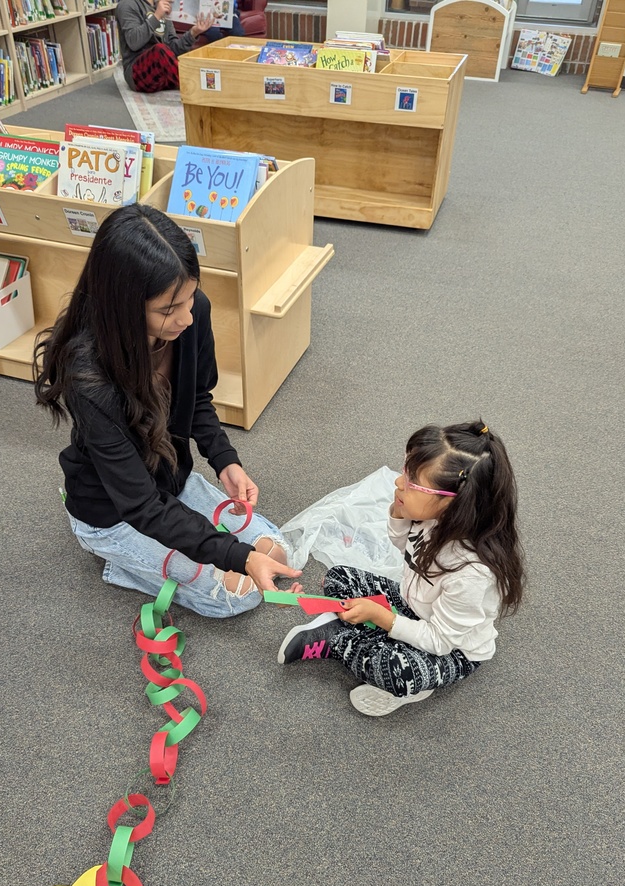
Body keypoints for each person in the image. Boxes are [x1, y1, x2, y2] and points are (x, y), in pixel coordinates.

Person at [33, 203, 301, 618]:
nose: (187, 318)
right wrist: (239, 558)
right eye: (167, 310)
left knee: (277, 547)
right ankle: (107, 551)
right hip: (115, 511)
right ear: (122, 305)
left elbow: (196, 399)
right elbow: (141, 507)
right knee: (239, 593)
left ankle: (170, 553)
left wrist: (225, 459)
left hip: (170, 480)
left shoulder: (194, 314)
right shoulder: (89, 375)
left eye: (190, 297)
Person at [277, 421, 524, 716]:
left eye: (411, 482)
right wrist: (399, 513)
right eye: (404, 472)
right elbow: (403, 546)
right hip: (413, 604)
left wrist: (381, 618)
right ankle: (359, 630)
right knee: (339, 576)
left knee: (397, 671)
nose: (398, 483)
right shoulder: (434, 519)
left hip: (453, 650)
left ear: (455, 503)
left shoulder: (472, 573)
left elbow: (439, 641)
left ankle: (336, 640)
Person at [117, 0, 214, 93]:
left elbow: (173, 49)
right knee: (159, 49)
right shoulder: (127, 4)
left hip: (163, 73)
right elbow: (134, 43)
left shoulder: (162, 4)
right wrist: (157, 16)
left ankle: (206, 83)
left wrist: (193, 33)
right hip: (137, 74)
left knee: (195, 60)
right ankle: (197, 86)